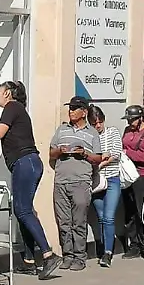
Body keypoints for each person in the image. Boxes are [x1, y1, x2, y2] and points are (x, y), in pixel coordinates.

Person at [0, 81, 62, 280]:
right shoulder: (17, 109)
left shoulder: (12, 107)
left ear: (8, 94)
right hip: (27, 164)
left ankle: (48, 254)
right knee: (22, 210)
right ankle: (29, 261)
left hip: (25, 163)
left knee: (23, 210)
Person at [48, 96, 103, 271]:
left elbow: (98, 158)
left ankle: (80, 257)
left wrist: (84, 153)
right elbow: (51, 153)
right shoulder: (62, 129)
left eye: (75, 108)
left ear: (84, 112)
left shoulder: (92, 133)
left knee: (78, 222)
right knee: (64, 222)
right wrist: (59, 151)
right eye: (70, 108)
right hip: (61, 182)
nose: (71, 111)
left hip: (80, 182)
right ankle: (67, 256)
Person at [121, 104, 144, 257]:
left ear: (141, 118)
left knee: (141, 211)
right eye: (128, 120)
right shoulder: (127, 131)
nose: (130, 123)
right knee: (129, 212)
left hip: (143, 175)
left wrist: (128, 153)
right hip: (128, 175)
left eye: (133, 120)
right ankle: (134, 245)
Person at [89, 105, 123, 267]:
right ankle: (103, 249)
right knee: (101, 218)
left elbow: (116, 153)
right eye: (94, 123)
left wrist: (100, 162)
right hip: (95, 182)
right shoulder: (89, 136)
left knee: (109, 217)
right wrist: (103, 157)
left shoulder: (112, 132)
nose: (98, 126)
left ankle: (108, 253)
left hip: (112, 179)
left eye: (100, 122)